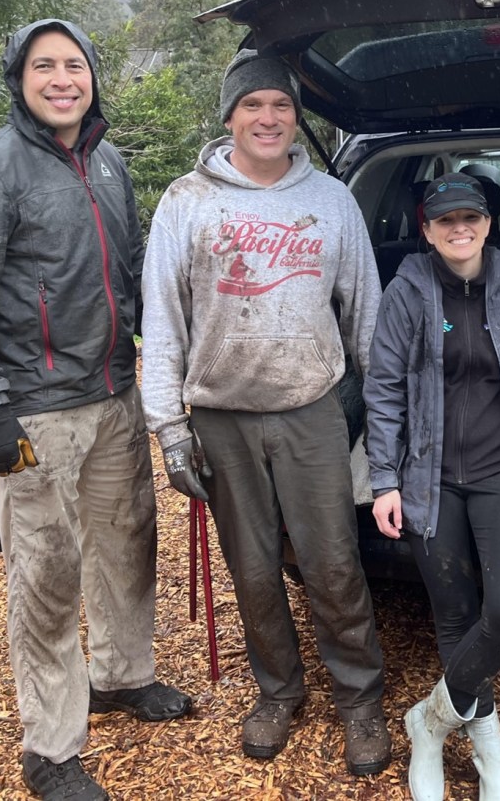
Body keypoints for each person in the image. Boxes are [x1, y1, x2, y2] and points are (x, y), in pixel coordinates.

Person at [140, 49, 391, 776]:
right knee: (252, 570)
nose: (268, 117)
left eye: (281, 104)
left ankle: (360, 699)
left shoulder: (333, 200)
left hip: (312, 409)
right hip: (221, 418)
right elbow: (163, 321)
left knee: (333, 563)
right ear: (229, 116)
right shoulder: (187, 201)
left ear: (295, 116)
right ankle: (278, 691)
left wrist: (387, 417)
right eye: (253, 104)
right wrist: (171, 430)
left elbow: (367, 313)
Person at [0, 19, 191, 801]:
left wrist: (171, 361)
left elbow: (132, 272)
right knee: (46, 572)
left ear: (92, 75)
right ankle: (50, 746)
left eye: (74, 64)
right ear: (19, 78)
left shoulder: (109, 162)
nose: (62, 79)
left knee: (127, 544)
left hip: (114, 392)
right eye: (44, 66)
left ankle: (122, 675)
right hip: (35, 412)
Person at [363, 172, 500, 801]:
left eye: (470, 218)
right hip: (427, 478)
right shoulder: (407, 290)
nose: (460, 229)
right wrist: (383, 479)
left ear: (488, 224)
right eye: (445, 220)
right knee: (453, 613)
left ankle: (429, 723)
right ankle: (487, 740)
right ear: (426, 230)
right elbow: (383, 389)